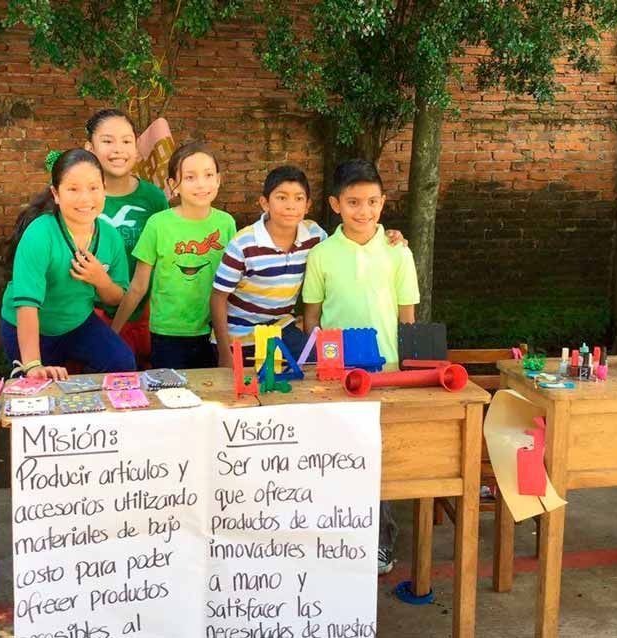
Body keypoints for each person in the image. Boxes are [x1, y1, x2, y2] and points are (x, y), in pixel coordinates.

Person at [302, 158, 420, 575]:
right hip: (336, 373)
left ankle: (382, 541)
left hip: (386, 370)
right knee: (337, 455)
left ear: (384, 202)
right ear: (335, 204)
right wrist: (316, 364)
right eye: (353, 202)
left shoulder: (397, 252)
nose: (363, 211)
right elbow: (312, 317)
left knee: (379, 458)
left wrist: (408, 367)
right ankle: (336, 537)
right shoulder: (321, 254)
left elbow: (407, 316)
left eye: (372, 202)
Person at [212, 165, 410, 368]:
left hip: (281, 329)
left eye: (298, 198)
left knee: (317, 366)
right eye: (282, 198)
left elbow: (346, 241)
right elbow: (218, 297)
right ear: (264, 203)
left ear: (307, 206)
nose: (291, 206)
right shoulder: (243, 244)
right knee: (247, 388)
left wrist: (387, 235)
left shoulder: (315, 236)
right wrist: (224, 351)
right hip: (239, 336)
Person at [0, 149, 136, 379]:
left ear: (104, 189)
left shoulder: (110, 237)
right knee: (38, 395)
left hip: (78, 324)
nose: (85, 198)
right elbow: (26, 305)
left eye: (93, 188)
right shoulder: (40, 234)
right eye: (73, 189)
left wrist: (100, 280)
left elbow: (117, 297)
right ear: (56, 193)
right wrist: (32, 366)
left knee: (122, 363)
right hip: (29, 328)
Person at [112, 141, 236, 369]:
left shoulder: (226, 224)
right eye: (190, 177)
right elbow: (138, 286)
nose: (201, 184)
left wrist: (227, 343)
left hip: (214, 331)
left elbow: (233, 283)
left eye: (208, 175)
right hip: (168, 333)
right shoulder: (158, 225)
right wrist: (112, 333)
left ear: (219, 179)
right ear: (173, 185)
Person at [84, 109, 169, 365]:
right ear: (90, 148)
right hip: (90, 315)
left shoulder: (154, 198)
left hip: (146, 317)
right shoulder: (80, 198)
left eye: (126, 141)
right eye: (108, 141)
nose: (118, 149)